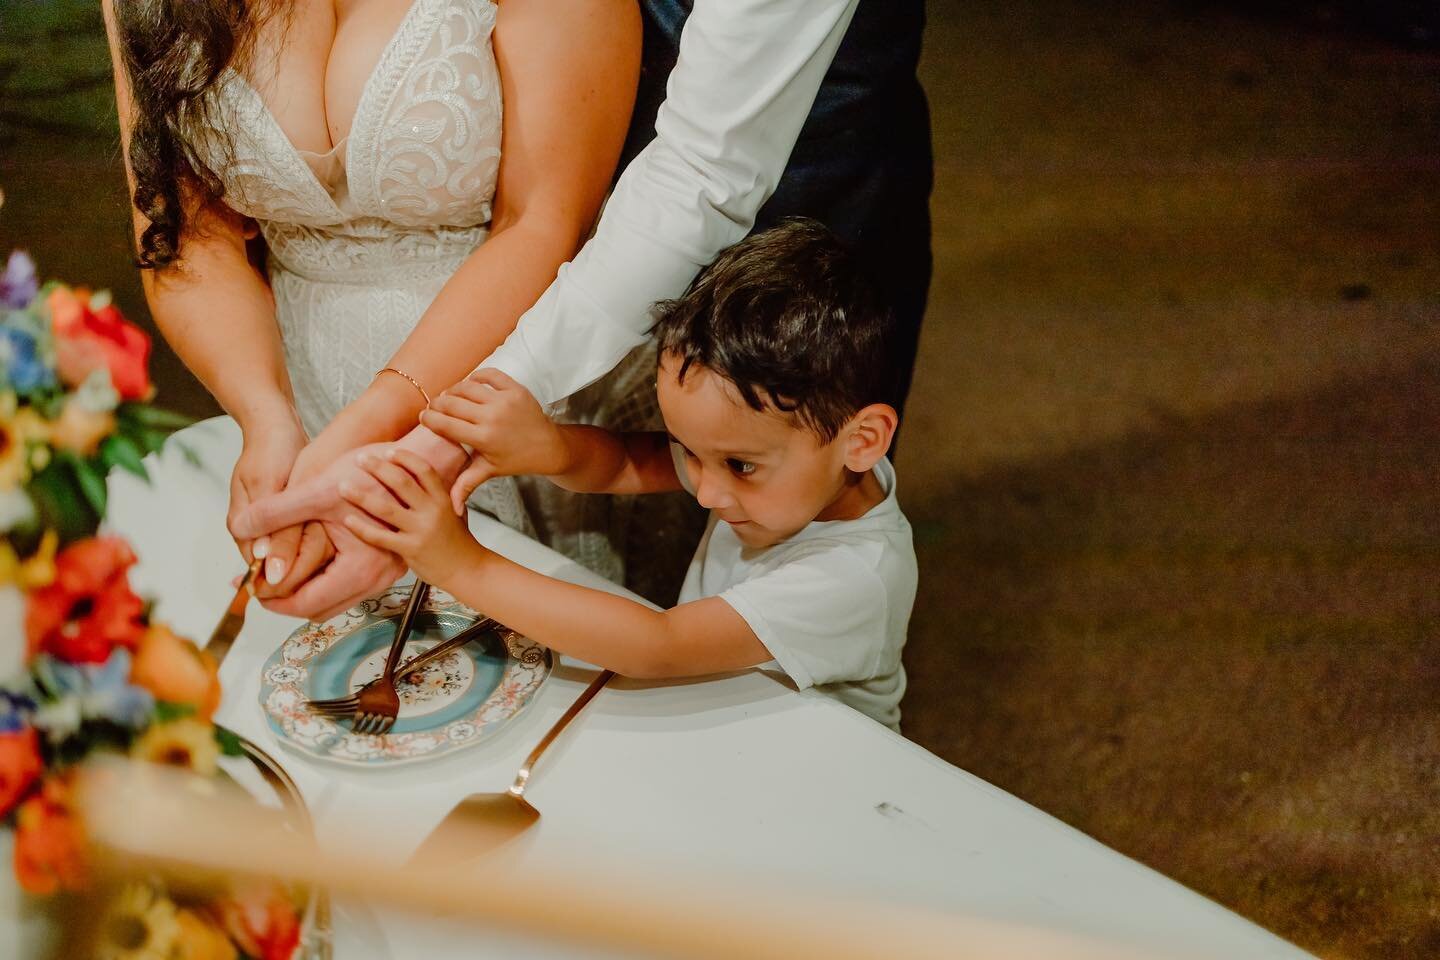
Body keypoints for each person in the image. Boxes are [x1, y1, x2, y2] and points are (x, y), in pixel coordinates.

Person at [234, 0, 932, 621]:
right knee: (714, 512)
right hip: (619, 229)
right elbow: (653, 464)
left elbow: (701, 172)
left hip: (806, 211)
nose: (708, 481)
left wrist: (443, 461)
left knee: (794, 533)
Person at [102, 0, 645, 620]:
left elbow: (543, 221)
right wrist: (266, 416)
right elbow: (187, 237)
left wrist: (372, 425)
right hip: (302, 388)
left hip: (510, 378)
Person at [335, 221, 917, 729]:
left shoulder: (856, 577)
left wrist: (462, 564)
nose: (706, 491)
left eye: (740, 466)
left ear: (862, 441)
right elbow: (623, 463)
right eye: (689, 452)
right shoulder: (792, 462)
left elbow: (656, 646)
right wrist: (548, 447)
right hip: (726, 719)